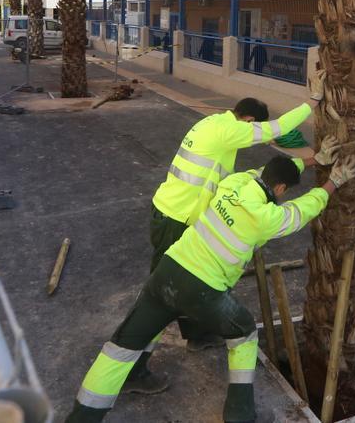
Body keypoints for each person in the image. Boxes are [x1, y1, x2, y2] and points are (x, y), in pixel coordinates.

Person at [66, 151, 355, 423]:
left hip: (166, 272)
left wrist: (311, 160)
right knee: (243, 334)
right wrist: (334, 182)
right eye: (284, 191)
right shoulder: (264, 218)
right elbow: (302, 210)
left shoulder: (234, 183)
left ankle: (82, 415)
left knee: (120, 348)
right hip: (200, 290)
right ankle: (239, 415)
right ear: (281, 190)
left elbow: (266, 172)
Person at [134, 72, 326, 373]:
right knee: (161, 296)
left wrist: (308, 161)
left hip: (175, 212)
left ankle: (198, 335)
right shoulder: (231, 130)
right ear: (248, 120)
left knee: (185, 283)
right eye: (254, 128)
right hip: (175, 218)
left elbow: (260, 170)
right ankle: (135, 366)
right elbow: (278, 128)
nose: (255, 135)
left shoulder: (214, 124)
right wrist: (312, 102)